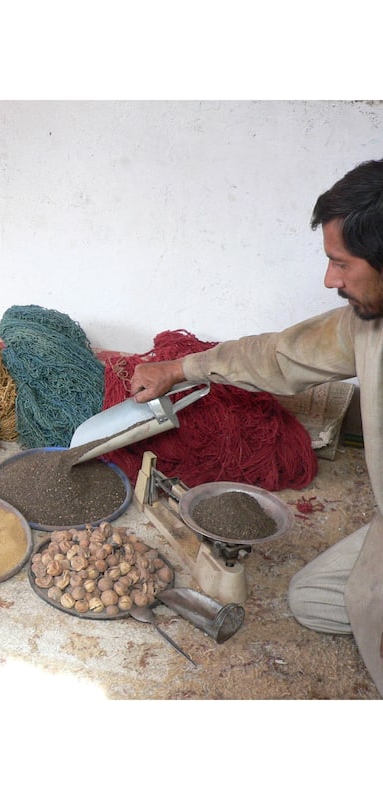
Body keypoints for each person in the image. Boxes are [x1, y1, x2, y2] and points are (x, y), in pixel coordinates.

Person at [129, 158, 383, 696]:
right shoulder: (367, 319)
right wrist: (178, 369)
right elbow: (278, 357)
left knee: (369, 614)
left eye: (341, 263)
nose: (329, 280)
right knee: (311, 599)